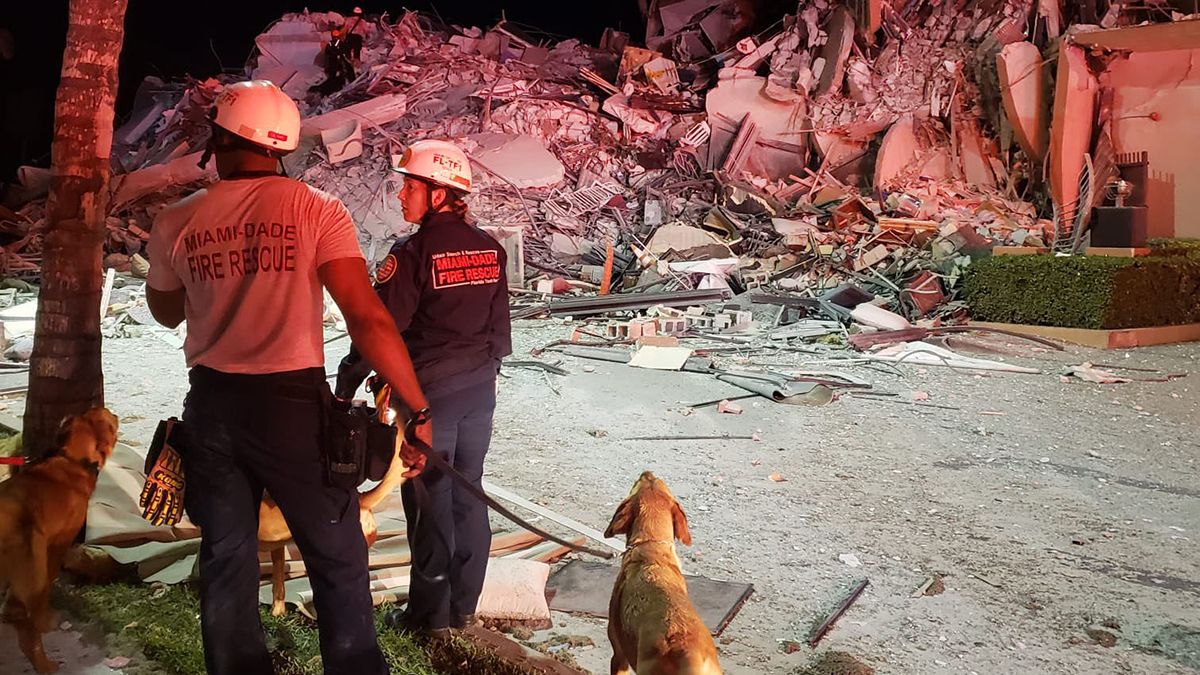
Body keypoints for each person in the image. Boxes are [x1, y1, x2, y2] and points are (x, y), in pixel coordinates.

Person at [145, 80, 432, 675]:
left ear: (220, 139)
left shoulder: (177, 221)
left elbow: (166, 311)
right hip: (292, 409)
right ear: (280, 148)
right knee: (336, 556)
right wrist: (415, 410)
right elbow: (368, 317)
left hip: (213, 407)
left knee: (227, 557)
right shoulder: (316, 209)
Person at [336, 139, 512, 637]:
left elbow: (379, 329)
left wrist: (347, 382)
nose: (400, 196)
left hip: (426, 398)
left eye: (409, 186)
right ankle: (463, 609)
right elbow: (500, 333)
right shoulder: (491, 250)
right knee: (468, 493)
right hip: (479, 392)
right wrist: (480, 380)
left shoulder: (412, 254)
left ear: (438, 194)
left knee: (428, 499)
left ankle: (428, 618)